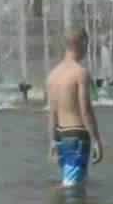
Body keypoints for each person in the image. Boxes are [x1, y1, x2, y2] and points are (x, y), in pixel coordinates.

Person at [44, 28, 104, 188]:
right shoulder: (80, 73)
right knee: (72, 188)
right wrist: (97, 140)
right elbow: (85, 110)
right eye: (86, 45)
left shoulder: (52, 75)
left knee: (74, 182)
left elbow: (52, 114)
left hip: (60, 136)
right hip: (77, 136)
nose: (86, 49)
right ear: (80, 43)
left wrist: (52, 142)